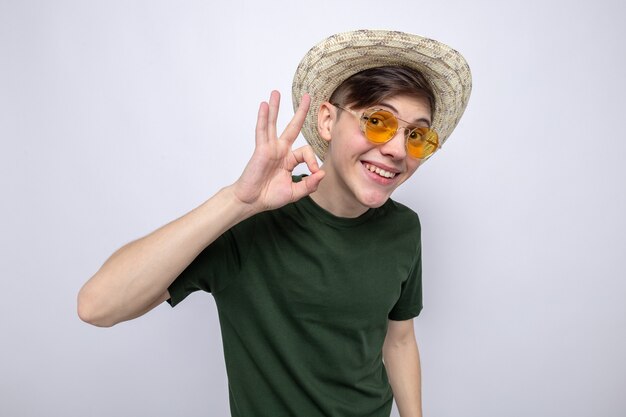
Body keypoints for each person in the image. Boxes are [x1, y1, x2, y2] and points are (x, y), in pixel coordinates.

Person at [78, 30, 472, 417]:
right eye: (377, 121)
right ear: (327, 122)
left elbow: (399, 339)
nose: (397, 150)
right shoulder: (251, 223)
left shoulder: (404, 228)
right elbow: (97, 306)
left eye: (417, 135)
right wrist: (237, 201)